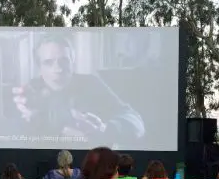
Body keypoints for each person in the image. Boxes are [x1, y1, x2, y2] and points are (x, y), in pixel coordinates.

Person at [12, 35, 145, 146]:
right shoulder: (30, 93)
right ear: (39, 66)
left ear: (72, 61)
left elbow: (135, 121)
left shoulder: (91, 84)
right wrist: (25, 120)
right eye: (48, 62)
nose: (58, 69)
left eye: (64, 61)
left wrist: (105, 129)